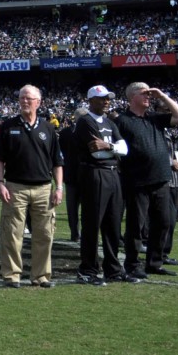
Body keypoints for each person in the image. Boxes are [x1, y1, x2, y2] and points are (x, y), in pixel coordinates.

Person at [0, 84, 63, 288]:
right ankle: (12, 275)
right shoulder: (8, 126)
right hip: (15, 187)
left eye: (29, 98)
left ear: (38, 103)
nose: (24, 101)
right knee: (12, 233)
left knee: (44, 234)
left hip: (43, 189)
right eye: (22, 98)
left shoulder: (49, 128)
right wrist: (0, 183)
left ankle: (41, 276)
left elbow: (58, 162)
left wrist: (59, 187)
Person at [116, 82, 178, 279]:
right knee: (136, 226)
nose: (149, 96)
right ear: (132, 97)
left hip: (161, 179)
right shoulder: (123, 121)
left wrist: (162, 95)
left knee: (164, 222)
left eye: (150, 93)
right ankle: (131, 264)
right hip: (137, 182)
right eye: (144, 93)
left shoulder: (154, 118)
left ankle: (154, 263)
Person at [74, 86, 138, 285]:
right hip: (95, 173)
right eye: (102, 99)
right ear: (91, 100)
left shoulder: (110, 122)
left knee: (112, 224)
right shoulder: (85, 122)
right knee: (92, 224)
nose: (107, 102)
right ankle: (88, 269)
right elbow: (96, 153)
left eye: (108, 98)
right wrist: (113, 149)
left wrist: (109, 146)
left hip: (112, 174)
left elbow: (125, 149)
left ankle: (113, 269)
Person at [58, 111, 83, 242]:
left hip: (70, 174)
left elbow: (59, 154)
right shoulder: (90, 132)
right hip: (85, 175)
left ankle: (75, 234)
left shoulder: (65, 132)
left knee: (72, 208)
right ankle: (83, 233)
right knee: (88, 207)